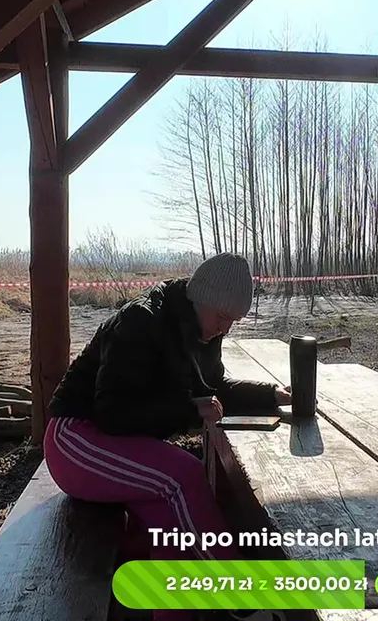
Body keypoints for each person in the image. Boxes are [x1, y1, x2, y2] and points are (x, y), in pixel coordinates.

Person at [44, 252, 290, 621]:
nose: (225, 328)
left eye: (233, 321)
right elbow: (112, 412)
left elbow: (214, 388)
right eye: (222, 317)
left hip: (117, 444)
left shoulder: (203, 329)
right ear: (199, 298)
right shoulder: (142, 321)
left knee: (175, 532)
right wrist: (188, 410)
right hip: (76, 441)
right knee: (185, 474)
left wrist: (271, 395)